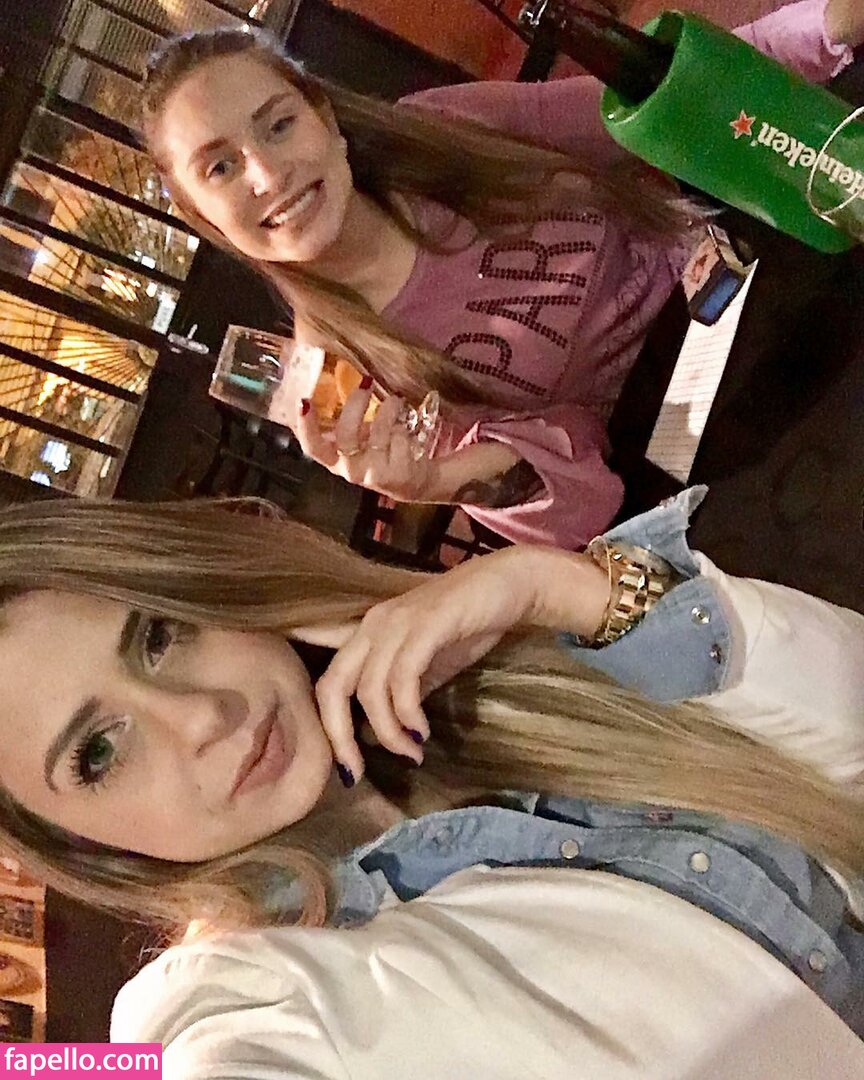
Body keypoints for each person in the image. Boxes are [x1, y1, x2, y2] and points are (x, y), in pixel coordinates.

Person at [0, 486, 862, 1076]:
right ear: (84, 848)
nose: (200, 717)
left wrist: (560, 591)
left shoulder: (482, 695)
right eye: (98, 754)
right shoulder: (240, 1010)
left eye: (158, 636)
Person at [140, 0, 864, 548]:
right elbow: (589, 507)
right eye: (220, 167)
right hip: (709, 450)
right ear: (203, 216)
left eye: (279, 125)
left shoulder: (438, 129)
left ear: (324, 117)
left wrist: (830, 24)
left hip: (765, 277)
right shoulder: (338, 384)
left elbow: (665, 105)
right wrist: (439, 480)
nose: (268, 175)